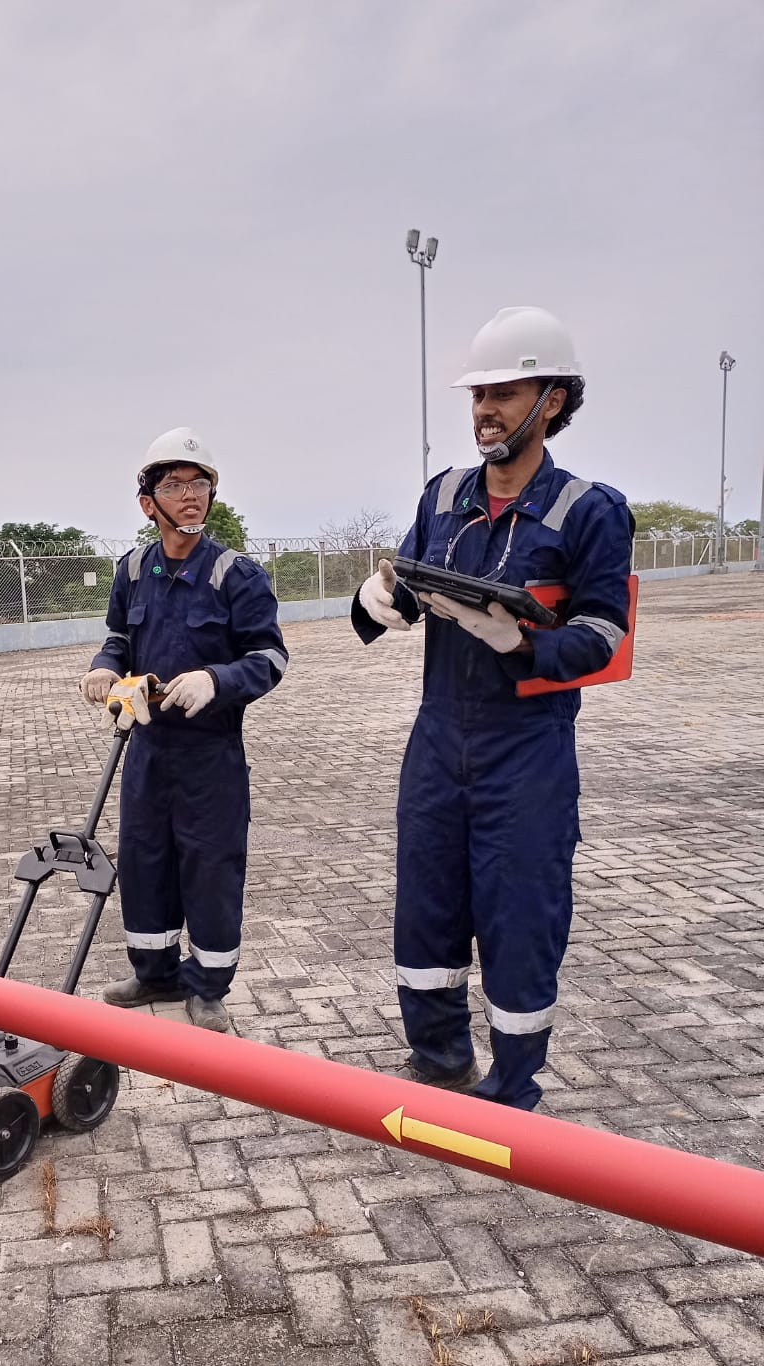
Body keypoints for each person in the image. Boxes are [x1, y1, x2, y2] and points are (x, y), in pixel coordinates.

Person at [353, 308, 632, 1110]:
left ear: (552, 400)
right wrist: (378, 600)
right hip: (438, 739)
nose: (486, 410)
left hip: (527, 753)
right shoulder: (442, 495)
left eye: (505, 393)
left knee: (519, 917)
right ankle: (438, 1056)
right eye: (479, 394)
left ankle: (512, 1089)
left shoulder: (589, 509)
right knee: (427, 907)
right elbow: (400, 590)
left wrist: (520, 644)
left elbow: (604, 634)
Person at [80, 429, 287, 1032]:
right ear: (149, 502)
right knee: (145, 861)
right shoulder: (133, 570)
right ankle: (154, 973)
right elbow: (119, 637)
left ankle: (208, 986)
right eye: (175, 484)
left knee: (210, 865)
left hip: (209, 754)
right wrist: (104, 668)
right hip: (146, 749)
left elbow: (270, 657)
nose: (191, 495)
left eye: (200, 483)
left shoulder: (236, 575)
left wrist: (216, 682)